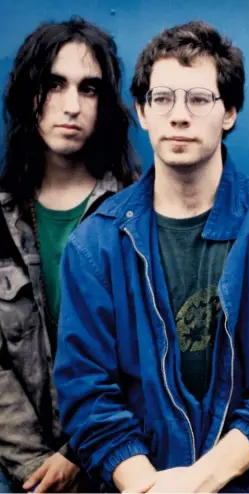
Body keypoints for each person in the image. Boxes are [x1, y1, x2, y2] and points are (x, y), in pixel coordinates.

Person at [53, 20, 249, 492]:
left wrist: (200, 481)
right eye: (162, 98)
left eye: (199, 99)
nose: (179, 115)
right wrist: (147, 486)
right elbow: (87, 393)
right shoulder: (97, 244)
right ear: (143, 113)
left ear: (229, 112)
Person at [0, 17, 138, 493]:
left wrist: (82, 451)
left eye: (90, 89)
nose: (72, 106)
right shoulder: (2, 219)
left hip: (127, 467)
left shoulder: (137, 214)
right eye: (54, 84)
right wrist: (37, 467)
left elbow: (153, 354)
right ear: (28, 94)